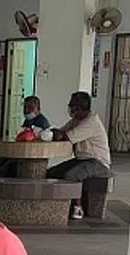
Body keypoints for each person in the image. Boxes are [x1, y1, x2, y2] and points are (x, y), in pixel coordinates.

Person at [48, 91, 112, 219]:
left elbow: (66, 136)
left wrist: (57, 133)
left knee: (72, 175)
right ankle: (55, 204)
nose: (71, 111)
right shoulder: (76, 120)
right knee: (52, 172)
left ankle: (77, 207)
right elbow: (61, 131)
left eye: (74, 108)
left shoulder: (91, 122)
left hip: (97, 162)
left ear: (80, 109)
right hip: (82, 160)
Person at [0, 96, 52, 177]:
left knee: (9, 165)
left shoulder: (42, 122)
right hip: (22, 152)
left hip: (32, 155)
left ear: (38, 109)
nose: (26, 111)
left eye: (30, 108)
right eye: (25, 108)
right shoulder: (28, 120)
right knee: (0, 161)